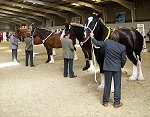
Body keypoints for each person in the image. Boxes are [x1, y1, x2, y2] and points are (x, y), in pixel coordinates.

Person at [90, 30, 126, 108]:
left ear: (111, 37)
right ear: (118, 38)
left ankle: (105, 101)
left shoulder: (107, 42)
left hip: (107, 67)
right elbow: (123, 59)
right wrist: (121, 66)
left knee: (107, 84)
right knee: (117, 85)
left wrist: (92, 37)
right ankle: (116, 103)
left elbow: (97, 43)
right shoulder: (122, 47)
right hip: (117, 68)